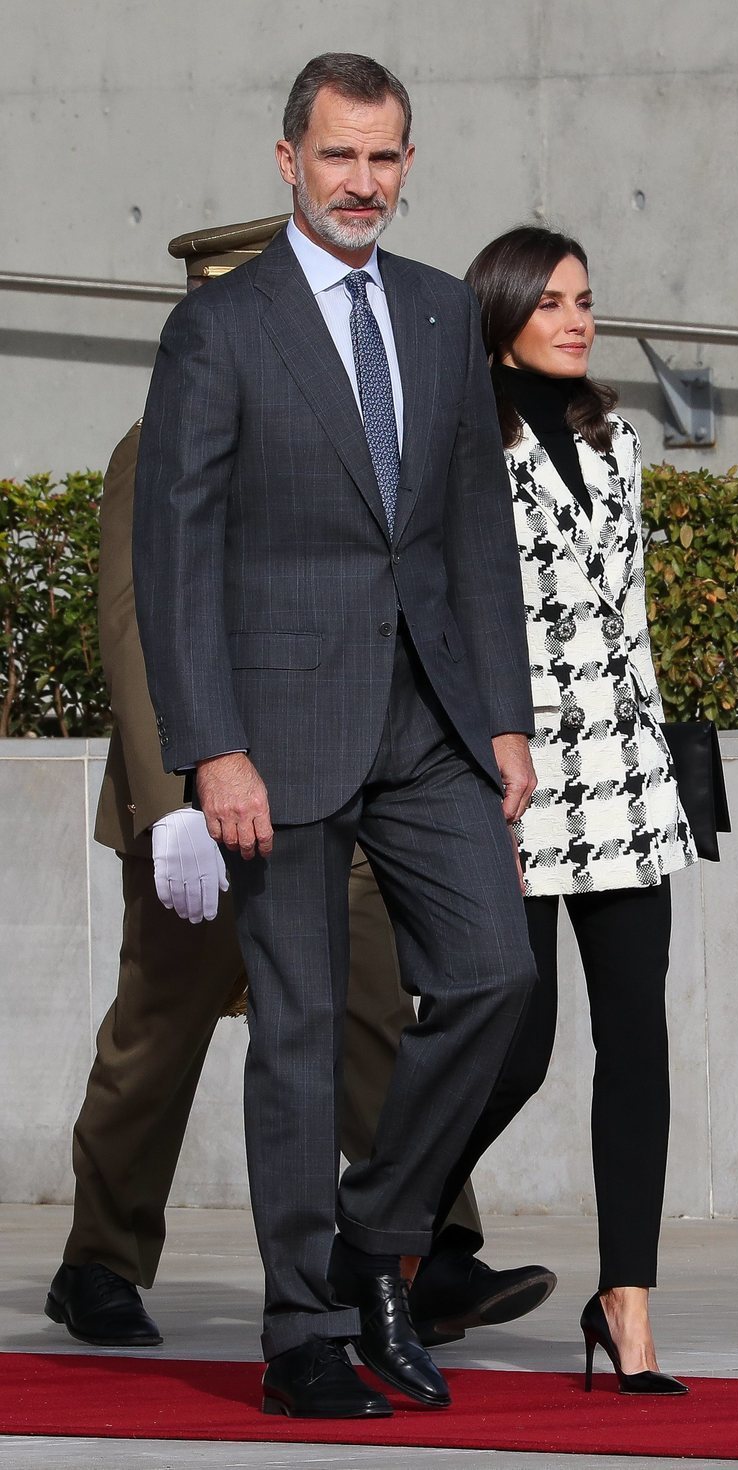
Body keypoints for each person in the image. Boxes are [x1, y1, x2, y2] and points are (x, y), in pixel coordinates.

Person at [44, 216, 553, 1360]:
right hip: (200, 794)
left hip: (339, 772)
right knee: (157, 1037)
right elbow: (140, 626)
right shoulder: (155, 440)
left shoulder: (379, 384)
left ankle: (425, 1249)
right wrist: (173, 793)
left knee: (373, 1013)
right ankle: (100, 1259)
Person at [132, 55, 539, 1420]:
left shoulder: (435, 314)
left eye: (386, 158)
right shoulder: (222, 331)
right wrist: (210, 746)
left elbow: (475, 532)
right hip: (280, 733)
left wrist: (502, 715)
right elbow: (174, 551)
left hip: (427, 721)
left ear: (408, 163)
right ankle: (302, 1328)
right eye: (338, 157)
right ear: (288, 160)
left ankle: (376, 1238)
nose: (363, 182)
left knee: (494, 975)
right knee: (300, 1036)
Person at [437, 225, 699, 1395]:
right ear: (498, 314)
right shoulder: (457, 443)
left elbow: (630, 616)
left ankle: (626, 1307)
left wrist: (668, 765)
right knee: (516, 1043)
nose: (575, 318)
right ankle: (381, 1229)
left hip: (625, 775)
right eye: (548, 301)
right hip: (516, 774)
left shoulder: (617, 437)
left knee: (634, 1039)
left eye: (584, 299)